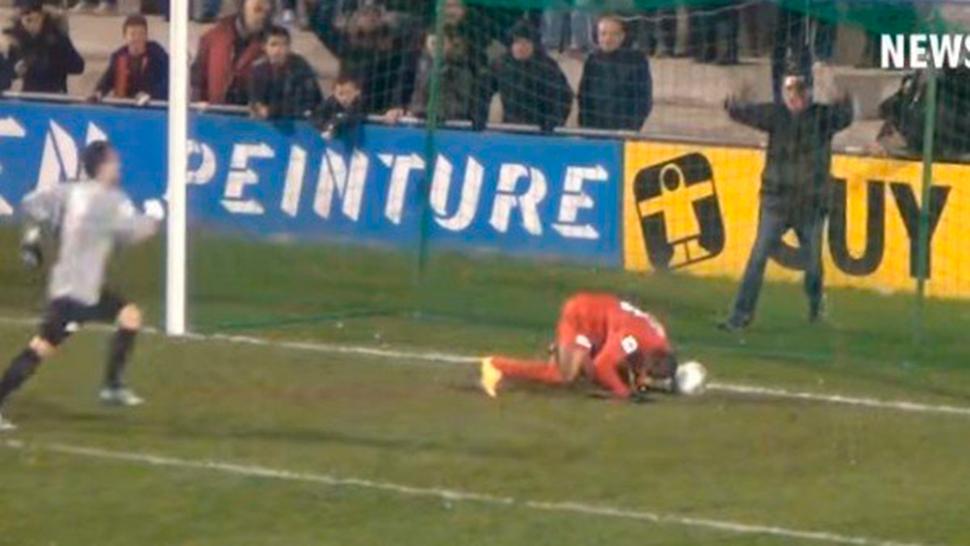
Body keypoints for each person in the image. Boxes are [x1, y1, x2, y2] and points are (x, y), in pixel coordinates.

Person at [0, 141, 163, 431]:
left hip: (83, 286)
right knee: (42, 347)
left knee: (130, 316)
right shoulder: (110, 200)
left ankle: (112, 386)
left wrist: (31, 238)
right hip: (75, 295)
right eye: (114, 162)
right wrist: (156, 215)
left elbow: (31, 203)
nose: (118, 167)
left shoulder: (68, 192)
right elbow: (134, 233)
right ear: (103, 167)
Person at [719, 73, 853, 331]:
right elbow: (739, 113)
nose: (794, 97)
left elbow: (846, 115)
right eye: (790, 91)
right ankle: (739, 317)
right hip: (776, 201)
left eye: (799, 91)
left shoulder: (822, 117)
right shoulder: (775, 115)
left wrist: (840, 92)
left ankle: (816, 305)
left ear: (809, 94)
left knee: (813, 264)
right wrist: (735, 99)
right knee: (758, 257)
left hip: (810, 203)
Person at [480, 293, 678, 400]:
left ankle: (566, 351)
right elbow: (602, 367)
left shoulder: (657, 340)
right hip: (580, 318)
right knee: (565, 376)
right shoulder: (634, 337)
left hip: (599, 323)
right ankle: (497, 366)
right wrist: (623, 393)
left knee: (605, 372)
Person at [307, 0, 412, 116]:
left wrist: (396, 105)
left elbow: (402, 77)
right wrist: (317, 6)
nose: (370, 19)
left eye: (374, 16)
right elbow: (321, 28)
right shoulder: (347, 45)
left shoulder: (393, 50)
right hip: (347, 103)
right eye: (366, 15)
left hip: (379, 109)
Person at [486, 19, 572, 132]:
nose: (521, 47)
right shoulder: (502, 65)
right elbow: (483, 90)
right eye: (517, 42)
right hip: (510, 129)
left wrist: (551, 124)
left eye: (526, 42)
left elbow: (564, 98)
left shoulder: (548, 67)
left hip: (541, 130)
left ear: (534, 45)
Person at [577, 15, 652, 131]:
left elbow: (643, 100)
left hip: (624, 129)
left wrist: (631, 126)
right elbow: (583, 96)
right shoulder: (592, 60)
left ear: (622, 36)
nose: (607, 39)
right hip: (593, 129)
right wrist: (585, 126)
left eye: (613, 34)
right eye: (603, 34)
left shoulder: (637, 61)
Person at [191, 0, 273, 105]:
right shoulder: (213, 37)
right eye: (258, 9)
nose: (263, 15)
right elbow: (197, 81)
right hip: (213, 112)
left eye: (267, 10)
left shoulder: (275, 45)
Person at [3, 0, 84, 94]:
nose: (26, 18)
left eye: (30, 13)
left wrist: (50, 43)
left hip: (55, 94)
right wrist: (15, 70)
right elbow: (8, 70)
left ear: (41, 15)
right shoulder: (17, 38)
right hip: (29, 95)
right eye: (22, 14)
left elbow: (78, 66)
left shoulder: (57, 36)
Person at [90, 15, 169, 104]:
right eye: (132, 34)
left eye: (141, 34)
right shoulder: (118, 56)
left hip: (153, 106)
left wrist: (150, 95)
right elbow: (107, 80)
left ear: (146, 36)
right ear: (125, 36)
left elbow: (169, 80)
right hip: (124, 105)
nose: (137, 38)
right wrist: (98, 93)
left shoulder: (157, 54)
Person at [249, 25, 322, 120]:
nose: (278, 50)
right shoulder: (258, 69)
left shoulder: (300, 67)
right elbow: (255, 99)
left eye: (283, 45)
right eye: (273, 44)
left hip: (298, 121)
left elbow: (307, 101)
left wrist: (272, 111)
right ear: (264, 46)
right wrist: (258, 107)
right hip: (267, 123)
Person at [407, 28, 476, 123]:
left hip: (451, 124)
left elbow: (461, 106)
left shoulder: (462, 71)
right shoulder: (421, 68)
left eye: (441, 44)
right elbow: (416, 100)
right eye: (433, 44)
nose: (437, 48)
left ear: (450, 45)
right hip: (422, 121)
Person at [314, 73, 364, 140]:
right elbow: (316, 115)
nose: (344, 98)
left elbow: (350, 117)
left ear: (357, 92)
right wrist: (325, 127)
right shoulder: (331, 101)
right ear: (334, 93)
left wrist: (334, 125)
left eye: (348, 93)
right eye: (340, 94)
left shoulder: (361, 104)